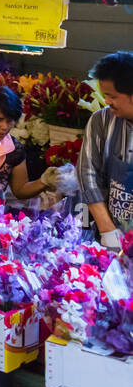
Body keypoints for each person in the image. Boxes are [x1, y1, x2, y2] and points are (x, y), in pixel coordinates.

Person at [79, 51, 133, 246]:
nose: (107, 101)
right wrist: (107, 230)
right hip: (111, 229)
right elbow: (87, 173)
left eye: (112, 96)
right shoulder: (101, 120)